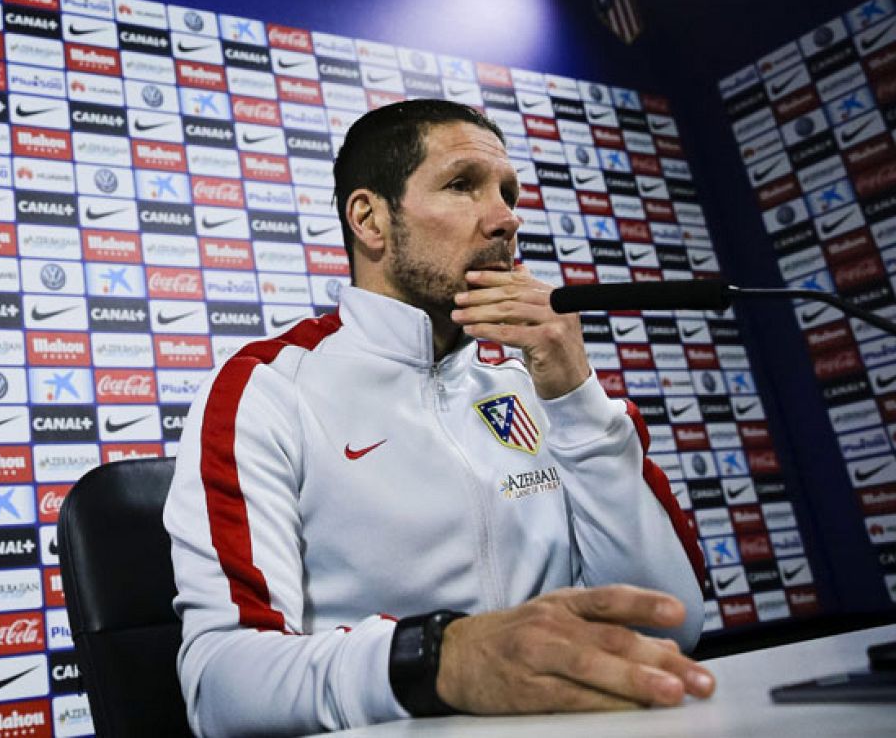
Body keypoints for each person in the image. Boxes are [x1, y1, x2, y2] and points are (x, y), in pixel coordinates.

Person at [163, 99, 713, 736]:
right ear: (370, 220)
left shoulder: (542, 384)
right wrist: (441, 660)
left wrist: (575, 395)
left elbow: (667, 627)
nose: (506, 219)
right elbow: (219, 685)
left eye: (508, 194)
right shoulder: (266, 390)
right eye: (462, 185)